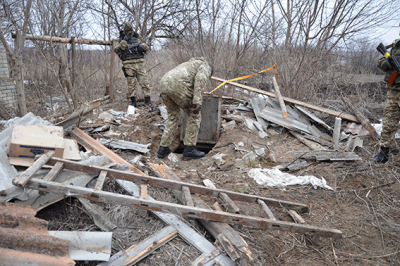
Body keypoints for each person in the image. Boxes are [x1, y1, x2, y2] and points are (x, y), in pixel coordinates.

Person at [157, 57, 213, 160]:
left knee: (173, 116)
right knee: (194, 116)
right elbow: (200, 80)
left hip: (163, 85)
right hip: (177, 86)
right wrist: (197, 102)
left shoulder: (188, 64)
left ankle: (163, 148)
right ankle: (189, 149)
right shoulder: (205, 66)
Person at [370, 38, 400, 163]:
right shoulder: (395, 46)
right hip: (393, 92)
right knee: (388, 124)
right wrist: (390, 62)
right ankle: (383, 155)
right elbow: (381, 63)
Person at [114, 22, 156, 108]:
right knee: (131, 84)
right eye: (128, 31)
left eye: (130, 31)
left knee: (145, 82)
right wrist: (125, 39)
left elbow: (146, 45)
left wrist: (143, 47)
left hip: (139, 63)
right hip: (128, 64)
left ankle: (148, 100)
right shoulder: (119, 39)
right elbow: (118, 49)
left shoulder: (137, 37)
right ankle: (133, 102)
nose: (130, 33)